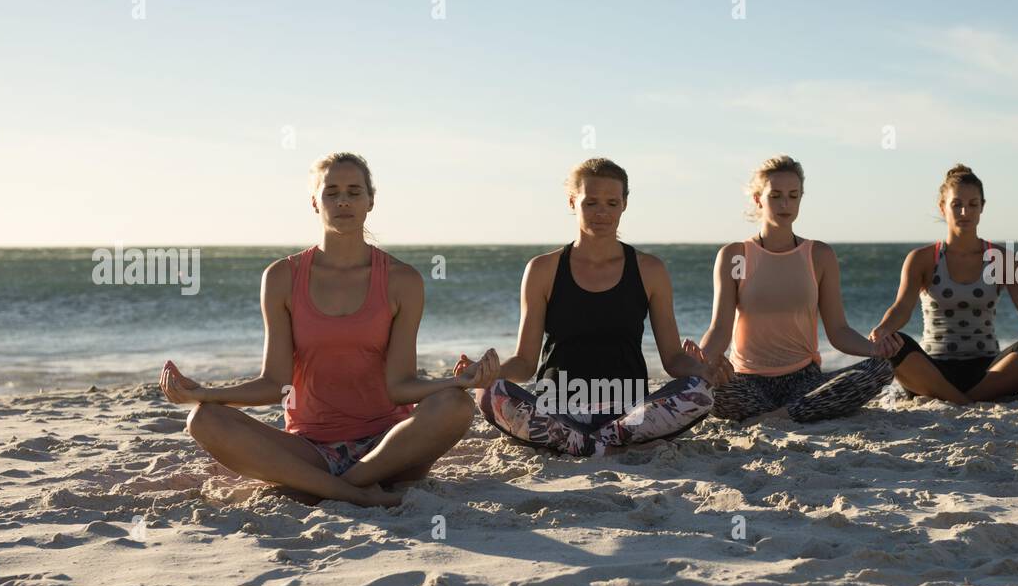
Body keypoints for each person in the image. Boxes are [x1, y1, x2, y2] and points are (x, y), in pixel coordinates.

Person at [159, 151, 499, 507]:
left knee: (456, 405)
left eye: (354, 192)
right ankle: (353, 494)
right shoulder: (281, 277)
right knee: (203, 420)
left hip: (388, 449)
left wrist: (458, 382)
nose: (343, 201)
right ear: (314, 202)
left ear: (371, 201)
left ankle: (336, 486)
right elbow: (276, 384)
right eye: (331, 192)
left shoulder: (402, 280)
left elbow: (400, 387)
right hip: (309, 449)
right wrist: (204, 394)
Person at [461, 157, 728, 456]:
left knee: (700, 392)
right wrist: (483, 373)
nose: (602, 212)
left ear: (625, 204)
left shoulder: (650, 269)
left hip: (628, 412)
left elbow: (673, 358)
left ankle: (583, 444)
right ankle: (603, 443)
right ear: (573, 202)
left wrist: (703, 369)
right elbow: (524, 363)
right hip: (558, 410)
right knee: (488, 393)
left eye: (612, 203)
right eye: (591, 203)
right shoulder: (542, 269)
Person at [693, 155, 893, 423]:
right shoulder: (737, 256)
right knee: (708, 389)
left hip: (805, 380)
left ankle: (781, 415)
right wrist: (701, 363)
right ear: (758, 199)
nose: (785, 204)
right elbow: (720, 329)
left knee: (881, 368)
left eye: (793, 195)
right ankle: (797, 412)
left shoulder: (818, 255)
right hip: (749, 383)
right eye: (775, 195)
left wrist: (875, 350)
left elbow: (838, 331)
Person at [869, 164, 1018, 404]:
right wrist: (882, 330)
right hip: (933, 371)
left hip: (987, 372)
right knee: (896, 344)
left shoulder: (1003, 259)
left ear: (982, 207)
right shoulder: (921, 259)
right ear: (943, 207)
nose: (965, 211)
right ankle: (967, 402)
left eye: (973, 204)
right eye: (957, 204)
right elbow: (901, 308)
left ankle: (957, 400)